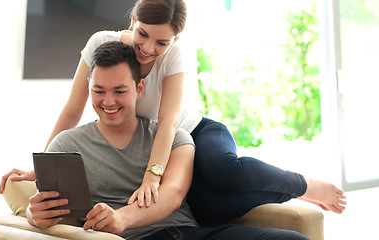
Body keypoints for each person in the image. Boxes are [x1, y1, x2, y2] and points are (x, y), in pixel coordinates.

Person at [0, 0, 346, 224]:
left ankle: (302, 185)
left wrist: (152, 177)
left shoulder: (175, 56)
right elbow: (73, 109)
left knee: (225, 173)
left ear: (175, 41)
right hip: (159, 143)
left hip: (192, 133)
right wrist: (41, 167)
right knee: (208, 211)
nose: (149, 49)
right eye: (143, 35)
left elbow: (167, 124)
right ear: (132, 19)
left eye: (162, 42)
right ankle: (287, 191)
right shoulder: (101, 44)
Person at [26, 40, 309, 240]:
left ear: (139, 89)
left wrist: (122, 217)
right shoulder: (65, 146)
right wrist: (32, 213)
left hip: (192, 233)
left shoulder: (176, 138)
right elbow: (44, 206)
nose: (108, 101)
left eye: (119, 91)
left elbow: (173, 195)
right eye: (99, 91)